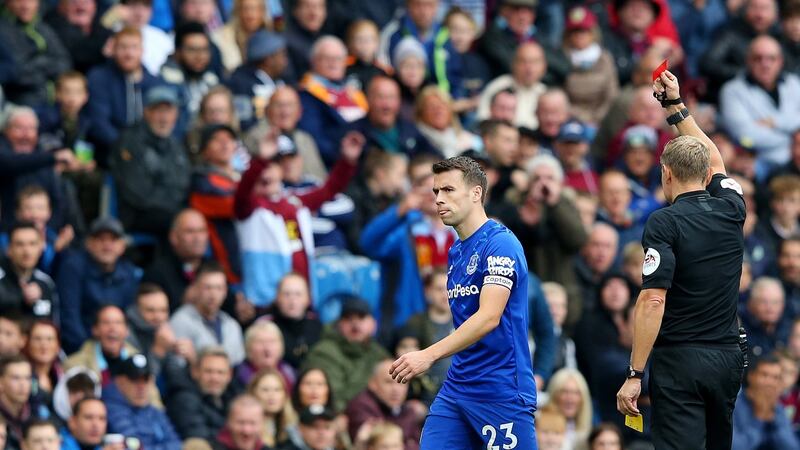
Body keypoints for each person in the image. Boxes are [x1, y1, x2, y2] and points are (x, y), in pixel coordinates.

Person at [615, 70, 747, 448]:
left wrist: (635, 373)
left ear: (665, 173)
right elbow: (716, 157)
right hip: (727, 359)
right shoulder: (732, 208)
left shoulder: (664, 221)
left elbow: (654, 298)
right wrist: (675, 105)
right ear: (707, 175)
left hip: (681, 360)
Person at [389, 156, 536, 447]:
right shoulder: (456, 252)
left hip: (502, 389)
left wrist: (427, 355)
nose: (439, 199)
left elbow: (489, 317)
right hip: (458, 389)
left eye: (448, 190)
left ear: (476, 193)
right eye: (436, 192)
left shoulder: (501, 244)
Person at [109, 85, 191, 237]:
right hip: (138, 215)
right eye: (159, 111)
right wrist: (176, 209)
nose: (164, 118)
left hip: (170, 210)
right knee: (183, 225)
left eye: (169, 111)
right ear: (146, 112)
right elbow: (138, 194)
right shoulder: (130, 142)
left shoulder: (175, 145)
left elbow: (183, 184)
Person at [719, 35, 800, 179]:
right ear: (748, 60)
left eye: (771, 58)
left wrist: (775, 122)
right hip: (760, 168)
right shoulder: (732, 91)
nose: (765, 64)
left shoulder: (794, 84)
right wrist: (793, 141)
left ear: (780, 61)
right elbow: (746, 137)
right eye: (758, 58)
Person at [58, 217, 140, 353]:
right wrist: (89, 352)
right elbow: (69, 315)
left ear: (122, 246)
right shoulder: (72, 267)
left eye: (113, 240)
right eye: (101, 239)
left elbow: (128, 318)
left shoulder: (128, 272)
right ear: (88, 243)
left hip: (116, 347)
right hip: (80, 347)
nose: (107, 246)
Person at [86, 27, 162, 161]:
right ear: (113, 49)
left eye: (134, 47)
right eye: (123, 47)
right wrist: (127, 147)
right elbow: (99, 122)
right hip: (108, 154)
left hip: (149, 154)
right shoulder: (99, 78)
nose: (129, 53)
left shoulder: (156, 83)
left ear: (142, 51)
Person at [302, 297, 390, 412]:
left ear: (373, 324)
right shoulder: (324, 352)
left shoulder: (379, 353)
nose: (355, 323)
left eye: (361, 317)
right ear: (339, 324)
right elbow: (335, 398)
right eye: (348, 318)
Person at [170, 262, 245, 365]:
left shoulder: (232, 325)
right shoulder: (181, 321)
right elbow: (175, 368)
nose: (213, 294)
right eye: (208, 287)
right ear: (195, 289)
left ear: (225, 291)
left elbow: (239, 366)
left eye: (219, 288)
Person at [0, 0, 71, 107]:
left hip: (53, 98)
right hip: (19, 100)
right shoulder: (3, 30)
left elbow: (65, 63)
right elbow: (17, 72)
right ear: (8, 3)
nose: (26, 6)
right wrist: (46, 64)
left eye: (31, 1)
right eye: (19, 1)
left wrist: (38, 62)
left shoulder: (42, 27)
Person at [102, 354, 181, 450]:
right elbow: (136, 447)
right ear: (120, 382)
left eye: (145, 380)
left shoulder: (153, 409)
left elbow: (176, 444)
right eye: (135, 380)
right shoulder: (110, 408)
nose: (141, 387)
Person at [166, 346, 240, 440]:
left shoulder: (230, 397)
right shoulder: (184, 399)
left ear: (229, 375)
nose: (215, 378)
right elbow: (198, 438)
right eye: (208, 371)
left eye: (220, 372)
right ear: (195, 371)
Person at [345, 360, 421, 449]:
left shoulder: (408, 410)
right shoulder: (361, 406)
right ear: (373, 383)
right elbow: (382, 443)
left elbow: (420, 445)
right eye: (389, 382)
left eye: (402, 382)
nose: (396, 389)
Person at [253, 273, 322, 369]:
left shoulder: (316, 324)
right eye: (286, 294)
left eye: (298, 294)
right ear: (277, 298)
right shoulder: (264, 325)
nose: (292, 300)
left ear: (308, 299)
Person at [732, 354, 800, 449]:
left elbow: (792, 447)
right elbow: (736, 447)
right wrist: (759, 418)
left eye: (775, 377)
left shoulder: (777, 407)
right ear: (751, 376)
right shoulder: (734, 404)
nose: (770, 382)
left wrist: (774, 420)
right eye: (764, 375)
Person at [0, 222, 58, 322]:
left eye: (32, 244)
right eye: (19, 244)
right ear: (8, 249)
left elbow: (52, 325)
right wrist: (21, 298)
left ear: (41, 248)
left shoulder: (46, 283)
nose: (27, 251)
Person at [0, 355, 51, 450]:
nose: (23, 384)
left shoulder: (39, 412)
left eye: (27, 378)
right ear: (1, 382)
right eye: (16, 378)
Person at [246, 368, 297, 447]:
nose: (272, 395)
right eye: (265, 390)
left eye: (277, 390)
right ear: (253, 393)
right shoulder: (246, 429)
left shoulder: (293, 427)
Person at [544, 368, 592, 448]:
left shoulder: (588, 434)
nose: (570, 399)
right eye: (565, 391)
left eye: (576, 393)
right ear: (554, 394)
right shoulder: (539, 428)